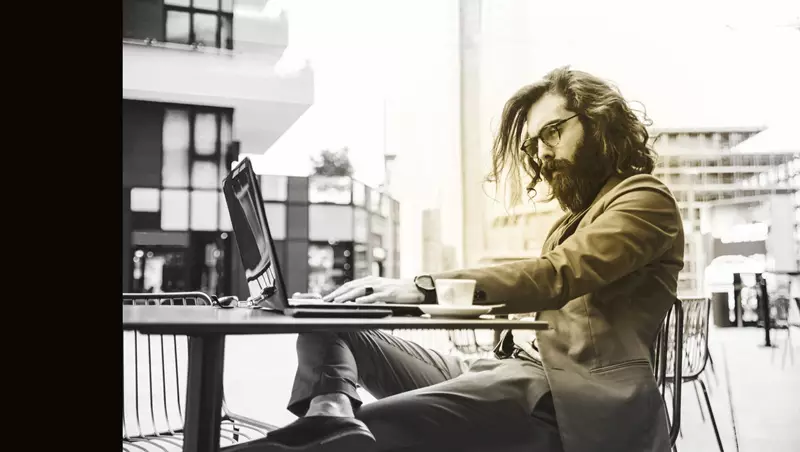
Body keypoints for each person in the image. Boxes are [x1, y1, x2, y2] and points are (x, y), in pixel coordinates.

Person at [226, 66, 685, 452]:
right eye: (533, 145)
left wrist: (423, 286)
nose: (543, 154)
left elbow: (558, 274)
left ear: (600, 121)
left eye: (553, 131)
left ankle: (337, 430)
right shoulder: (579, 215)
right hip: (499, 368)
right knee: (329, 319)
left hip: (562, 393)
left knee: (378, 427)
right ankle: (330, 413)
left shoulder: (645, 200)